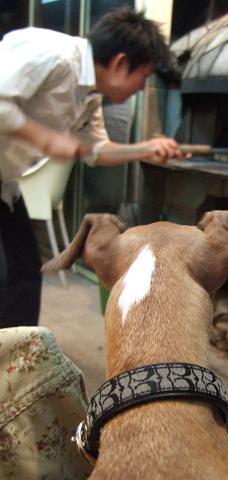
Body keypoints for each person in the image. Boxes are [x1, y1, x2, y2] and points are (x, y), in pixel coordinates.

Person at [0, 7, 184, 328]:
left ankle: (17, 362)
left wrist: (145, 150)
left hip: (4, 183)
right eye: (144, 77)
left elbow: (96, 151)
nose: (142, 88)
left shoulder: (90, 95)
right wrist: (45, 139)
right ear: (120, 63)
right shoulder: (51, 53)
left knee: (26, 270)